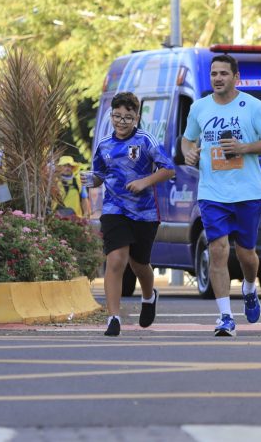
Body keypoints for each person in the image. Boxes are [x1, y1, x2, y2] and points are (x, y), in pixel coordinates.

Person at [181, 54, 261, 337]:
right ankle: (225, 316)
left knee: (247, 254)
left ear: (236, 77)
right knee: (217, 249)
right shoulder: (200, 107)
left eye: (224, 73)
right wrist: (188, 149)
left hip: (247, 192)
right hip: (212, 192)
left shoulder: (253, 106)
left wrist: (244, 148)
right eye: (214, 74)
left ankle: (249, 287)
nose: (218, 78)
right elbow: (187, 138)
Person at [91, 91, 175, 336]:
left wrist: (145, 182)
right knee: (116, 259)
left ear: (136, 118)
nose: (121, 122)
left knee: (140, 264)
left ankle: (149, 296)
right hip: (114, 209)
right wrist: (92, 180)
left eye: (127, 118)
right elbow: (99, 175)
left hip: (144, 212)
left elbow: (168, 169)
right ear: (111, 115)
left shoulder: (145, 140)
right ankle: (113, 317)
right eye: (117, 116)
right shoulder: (104, 144)